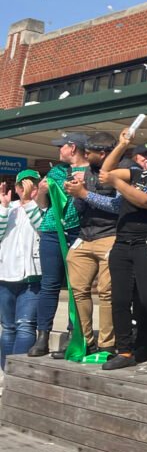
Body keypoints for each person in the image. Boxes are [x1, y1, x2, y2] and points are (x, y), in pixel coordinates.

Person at [98, 130, 147, 370]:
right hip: (122, 242)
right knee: (120, 299)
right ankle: (124, 350)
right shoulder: (136, 173)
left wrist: (116, 183)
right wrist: (122, 145)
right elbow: (106, 172)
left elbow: (146, 201)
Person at [62, 131, 122, 356]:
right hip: (85, 236)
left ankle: (107, 344)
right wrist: (76, 194)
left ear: (103, 153)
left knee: (107, 291)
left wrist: (85, 193)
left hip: (110, 234)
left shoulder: (119, 172)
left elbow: (118, 206)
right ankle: (85, 341)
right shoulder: (85, 173)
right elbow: (79, 210)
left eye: (89, 153)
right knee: (78, 289)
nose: (85, 156)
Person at [28, 132, 88, 357]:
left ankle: (74, 335)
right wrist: (41, 191)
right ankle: (42, 336)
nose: (58, 150)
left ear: (73, 148)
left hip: (80, 231)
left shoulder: (92, 171)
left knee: (78, 286)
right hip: (52, 231)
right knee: (50, 284)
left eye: (61, 146)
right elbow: (42, 205)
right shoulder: (55, 171)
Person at [0, 170, 43, 369]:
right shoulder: (7, 207)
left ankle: (17, 373)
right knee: (8, 328)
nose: (27, 189)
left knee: (26, 326)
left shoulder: (44, 208)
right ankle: (6, 373)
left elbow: (43, 228)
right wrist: (3, 208)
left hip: (32, 279)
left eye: (32, 185)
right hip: (5, 277)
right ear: (16, 188)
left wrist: (28, 202)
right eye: (23, 185)